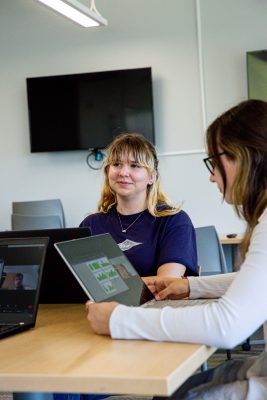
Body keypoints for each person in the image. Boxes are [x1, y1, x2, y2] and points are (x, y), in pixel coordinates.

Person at [86, 99, 267, 399]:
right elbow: (254, 282)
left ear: (245, 157)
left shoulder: (175, 220)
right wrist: (190, 287)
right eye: (116, 164)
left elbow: (227, 325)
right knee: (183, 389)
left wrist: (118, 320)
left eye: (214, 162)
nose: (211, 176)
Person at [80, 132, 198, 279]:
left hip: (157, 303)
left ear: (152, 177)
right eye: (117, 164)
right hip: (100, 303)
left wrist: (113, 284)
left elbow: (166, 283)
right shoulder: (90, 224)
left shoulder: (174, 221)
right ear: (108, 172)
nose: (123, 172)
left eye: (135, 165)